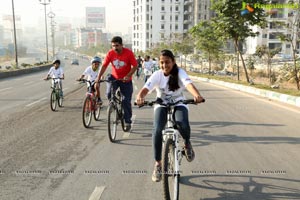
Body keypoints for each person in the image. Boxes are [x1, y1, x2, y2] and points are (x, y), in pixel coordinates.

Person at [135, 49, 205, 182]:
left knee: (181, 123)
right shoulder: (157, 74)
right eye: (161, 62)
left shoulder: (180, 73)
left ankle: (187, 144)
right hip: (161, 104)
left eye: (167, 62)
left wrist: (196, 95)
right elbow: (146, 88)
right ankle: (158, 164)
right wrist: (140, 97)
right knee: (157, 130)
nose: (164, 65)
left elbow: (188, 84)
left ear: (173, 62)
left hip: (179, 103)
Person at [95, 36, 138, 132]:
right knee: (109, 93)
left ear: (122, 45)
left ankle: (127, 122)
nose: (115, 48)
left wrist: (128, 75)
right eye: (113, 46)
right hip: (114, 77)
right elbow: (104, 66)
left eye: (117, 46)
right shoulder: (110, 53)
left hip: (125, 80)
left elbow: (135, 66)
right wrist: (98, 78)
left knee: (126, 101)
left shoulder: (128, 53)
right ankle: (113, 107)